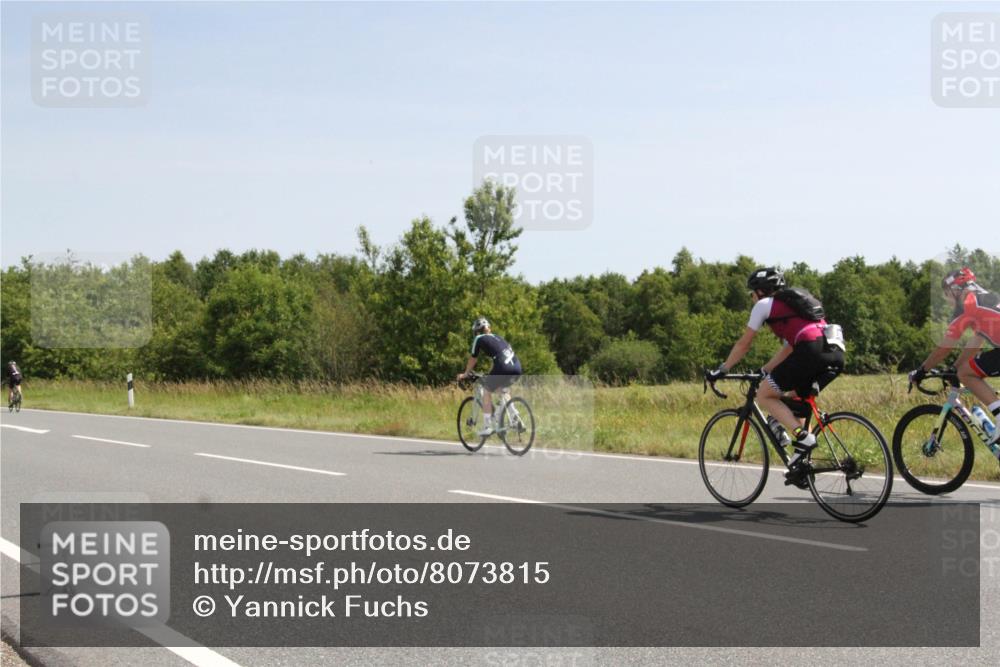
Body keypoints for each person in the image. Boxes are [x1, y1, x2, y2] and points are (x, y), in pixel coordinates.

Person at [706, 268, 845, 486]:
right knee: (795, 399)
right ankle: (802, 466)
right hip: (834, 352)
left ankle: (802, 436)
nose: (752, 297)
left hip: (810, 350)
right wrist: (765, 370)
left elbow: (744, 344)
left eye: (752, 292)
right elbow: (789, 348)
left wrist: (721, 369)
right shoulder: (793, 307)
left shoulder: (763, 306)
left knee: (764, 395)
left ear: (761, 291)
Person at [910, 267, 1000, 447]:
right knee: (964, 371)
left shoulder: (967, 306)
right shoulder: (985, 298)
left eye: (947, 294)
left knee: (967, 374)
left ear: (956, 289)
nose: (947, 300)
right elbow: (976, 342)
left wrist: (921, 370)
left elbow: (944, 347)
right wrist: (955, 368)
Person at [456, 318, 522, 436]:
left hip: (503, 367)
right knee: (502, 390)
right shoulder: (498, 337)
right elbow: (500, 357)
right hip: (517, 367)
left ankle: (487, 426)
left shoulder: (479, 338)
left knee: (486, 390)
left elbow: (473, 358)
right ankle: (515, 416)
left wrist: (466, 374)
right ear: (489, 328)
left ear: (477, 331)